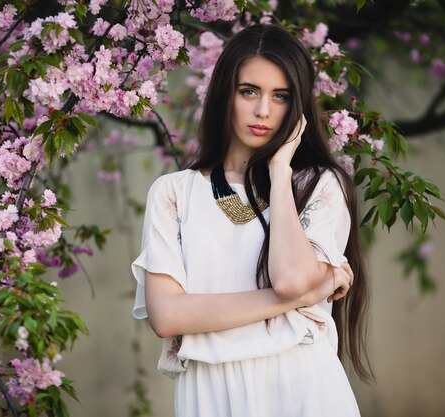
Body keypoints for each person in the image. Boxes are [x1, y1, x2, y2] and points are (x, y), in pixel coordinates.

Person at [131, 23, 372, 417]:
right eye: (249, 92)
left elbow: (290, 279)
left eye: (280, 96)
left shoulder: (319, 185)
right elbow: (167, 316)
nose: (263, 111)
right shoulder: (174, 193)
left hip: (303, 386)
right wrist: (305, 297)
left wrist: (280, 174)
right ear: (226, 93)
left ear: (297, 107)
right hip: (208, 392)